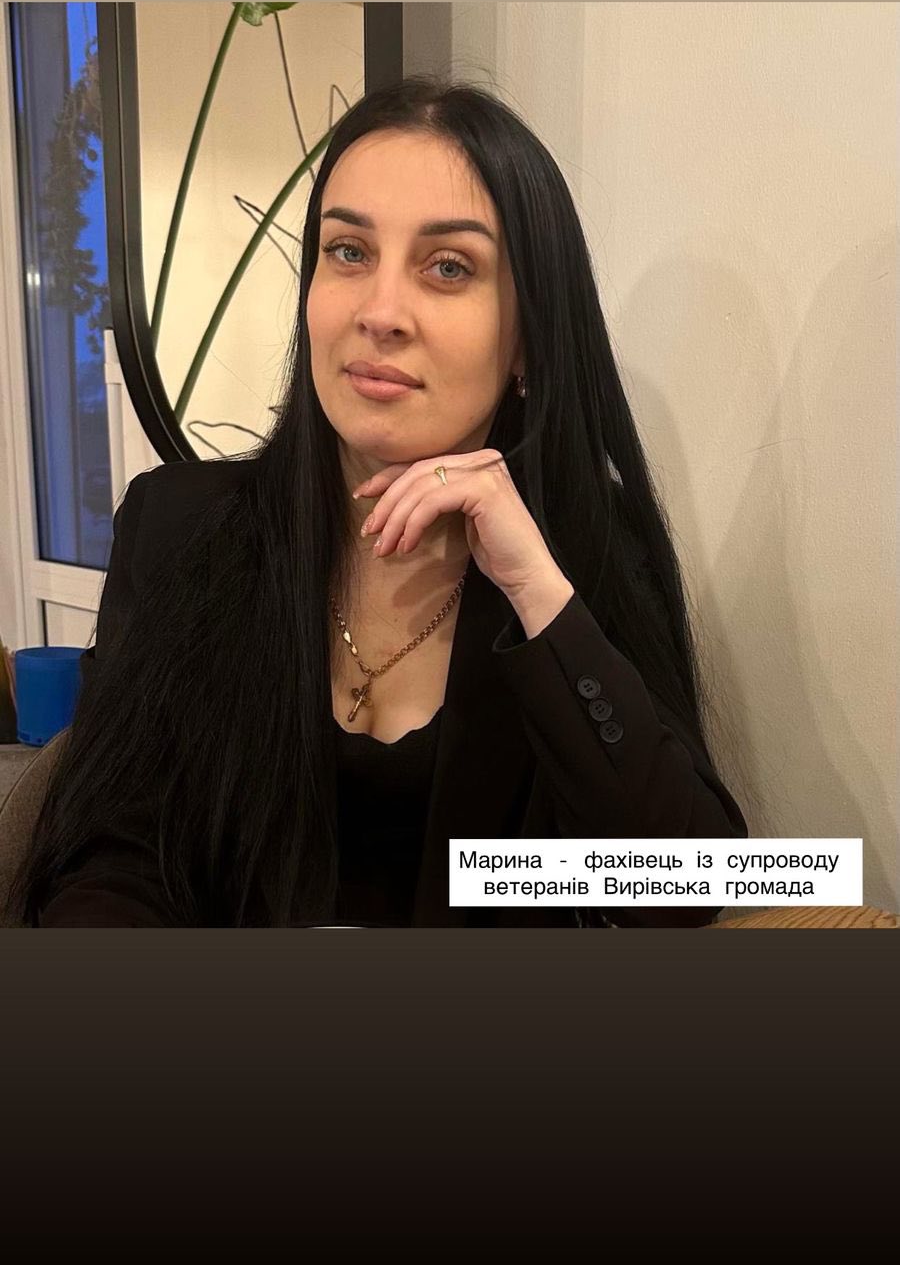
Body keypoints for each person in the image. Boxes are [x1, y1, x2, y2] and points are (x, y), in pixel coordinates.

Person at [9, 76, 747, 929]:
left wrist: (537, 594)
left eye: (448, 267)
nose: (381, 311)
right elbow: (112, 857)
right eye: (349, 252)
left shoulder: (584, 551)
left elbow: (694, 888)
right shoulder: (177, 529)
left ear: (528, 340)